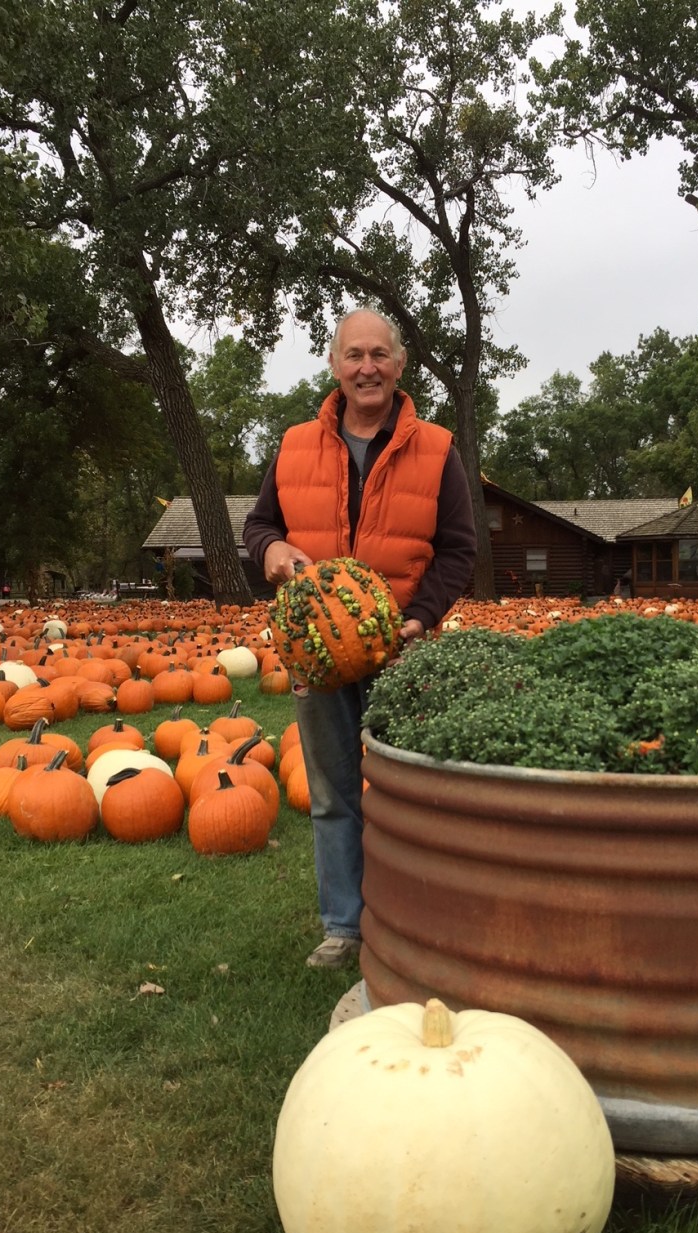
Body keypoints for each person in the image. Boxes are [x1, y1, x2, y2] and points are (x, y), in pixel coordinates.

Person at [243, 308, 477, 969]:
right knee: (333, 792)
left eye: (379, 354)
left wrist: (420, 616)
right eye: (354, 355)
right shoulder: (293, 446)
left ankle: (417, 918)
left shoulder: (436, 449)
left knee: (411, 789)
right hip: (318, 652)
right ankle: (344, 925)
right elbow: (259, 528)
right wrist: (275, 550)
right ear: (335, 366)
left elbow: (458, 551)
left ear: (400, 365)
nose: (366, 367)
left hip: (400, 644)